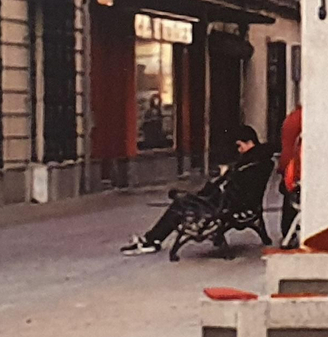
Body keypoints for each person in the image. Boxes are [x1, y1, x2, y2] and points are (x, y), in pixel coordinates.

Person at [121, 125, 271, 256]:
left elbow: (234, 186)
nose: (239, 150)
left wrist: (225, 175)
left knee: (179, 204)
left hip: (226, 204)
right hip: (240, 204)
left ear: (249, 142)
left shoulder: (249, 165)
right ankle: (152, 238)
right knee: (186, 199)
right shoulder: (260, 160)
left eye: (240, 145)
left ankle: (151, 240)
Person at [276, 106, 302, 248]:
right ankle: (288, 234)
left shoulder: (293, 117)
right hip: (294, 168)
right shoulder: (303, 118)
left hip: (289, 166)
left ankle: (287, 233)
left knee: (288, 201)